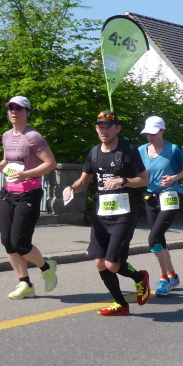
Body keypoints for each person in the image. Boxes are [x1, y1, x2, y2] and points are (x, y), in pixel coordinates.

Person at [62, 110, 151, 316]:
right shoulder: (94, 153)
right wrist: (71, 188)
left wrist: (123, 180)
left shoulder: (128, 150)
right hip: (101, 215)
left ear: (117, 129)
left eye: (108, 127)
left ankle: (140, 278)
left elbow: (144, 180)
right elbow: (84, 181)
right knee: (100, 263)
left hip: (123, 214)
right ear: (96, 129)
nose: (104, 131)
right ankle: (121, 304)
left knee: (112, 264)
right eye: (100, 127)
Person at [0, 96, 58, 300]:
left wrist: (26, 174)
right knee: (7, 242)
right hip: (8, 193)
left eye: (18, 109)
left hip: (28, 193)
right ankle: (25, 284)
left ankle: (46, 268)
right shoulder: (6, 135)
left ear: (27, 113)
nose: (13, 112)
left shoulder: (33, 136)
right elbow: (6, 160)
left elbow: (50, 163)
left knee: (20, 242)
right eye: (10, 108)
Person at [138, 116, 183, 296]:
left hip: (169, 196)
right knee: (159, 239)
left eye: (154, 133)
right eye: (148, 133)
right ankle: (173, 275)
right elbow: (135, 173)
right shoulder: (141, 150)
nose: (150, 137)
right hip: (151, 198)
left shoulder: (173, 149)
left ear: (162, 131)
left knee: (153, 239)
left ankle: (164, 279)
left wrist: (174, 178)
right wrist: (141, 175)